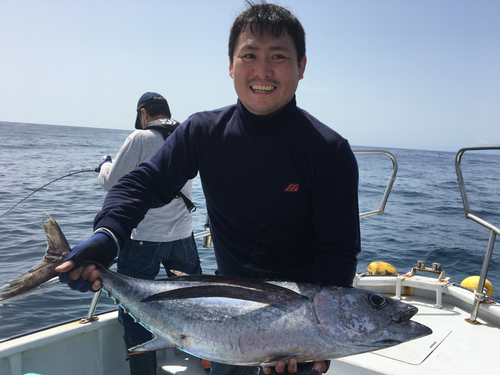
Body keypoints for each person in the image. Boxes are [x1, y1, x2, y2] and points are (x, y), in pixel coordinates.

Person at [56, 2, 360, 375]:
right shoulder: (203, 132)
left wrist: (317, 340)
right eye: (249, 55)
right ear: (231, 65)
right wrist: (108, 234)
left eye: (278, 56)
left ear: (301, 67)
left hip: (297, 328)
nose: (262, 70)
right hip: (223, 312)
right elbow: (143, 182)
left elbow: (337, 250)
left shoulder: (328, 151)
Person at [95, 92, 202, 375]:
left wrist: (103, 165)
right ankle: (208, 362)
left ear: (143, 114)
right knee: (196, 304)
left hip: (144, 239)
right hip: (183, 237)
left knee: (136, 311)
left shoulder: (140, 138)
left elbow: (112, 183)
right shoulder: (184, 136)